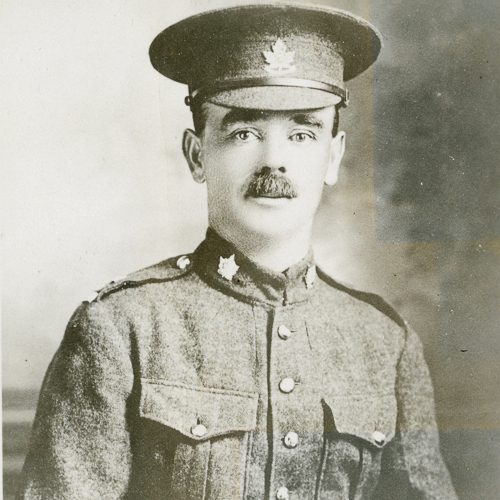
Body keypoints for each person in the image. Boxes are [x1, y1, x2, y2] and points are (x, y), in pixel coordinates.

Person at [18, 3, 458, 499]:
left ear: (332, 157)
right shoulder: (122, 330)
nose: (274, 160)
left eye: (302, 133)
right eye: (243, 132)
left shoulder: (385, 342)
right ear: (197, 154)